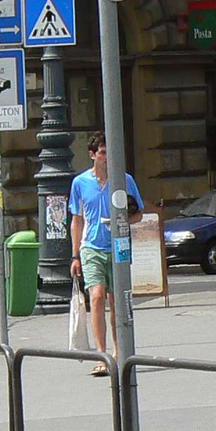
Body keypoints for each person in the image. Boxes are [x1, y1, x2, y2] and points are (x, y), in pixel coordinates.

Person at [68, 132, 144, 376]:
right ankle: (101, 355)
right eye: (102, 152)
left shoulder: (124, 179)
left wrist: (121, 222)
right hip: (91, 246)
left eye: (109, 152)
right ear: (92, 155)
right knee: (97, 295)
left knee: (116, 300)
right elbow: (77, 219)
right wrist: (75, 255)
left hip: (118, 246)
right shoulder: (80, 183)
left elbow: (139, 213)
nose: (107, 157)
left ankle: (118, 351)